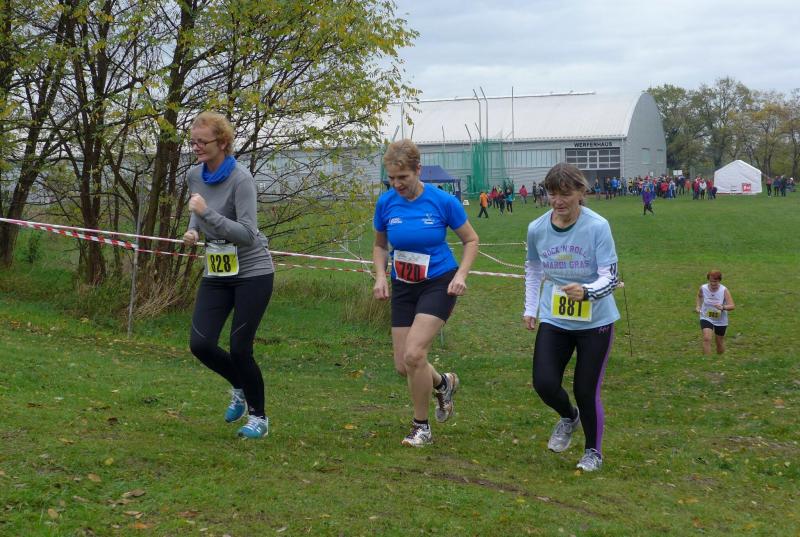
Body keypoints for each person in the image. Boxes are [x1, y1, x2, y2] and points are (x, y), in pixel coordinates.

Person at [372, 139, 479, 447]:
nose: (397, 184)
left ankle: (421, 427)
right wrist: (380, 276)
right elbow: (380, 245)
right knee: (403, 365)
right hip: (403, 284)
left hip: (439, 281)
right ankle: (443, 383)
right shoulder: (386, 203)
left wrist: (461, 274)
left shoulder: (442, 201)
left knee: (415, 354)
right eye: (391, 178)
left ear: (418, 170)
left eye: (403, 177)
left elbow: (471, 240)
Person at [183, 111, 275, 439]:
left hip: (253, 272)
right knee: (200, 344)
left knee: (239, 348)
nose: (196, 147)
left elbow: (247, 234)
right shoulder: (194, 175)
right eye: (192, 142)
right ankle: (238, 385)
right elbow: (197, 208)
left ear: (222, 143)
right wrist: (194, 230)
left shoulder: (241, 179)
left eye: (202, 142)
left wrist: (207, 215)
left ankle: (259, 419)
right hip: (218, 270)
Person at [523, 163, 620, 472]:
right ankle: (569, 416)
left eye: (565, 194)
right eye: (552, 194)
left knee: (585, 390)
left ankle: (593, 451)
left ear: (581, 192)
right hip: (556, 317)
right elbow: (533, 269)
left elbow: (611, 276)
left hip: (596, 321)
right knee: (544, 383)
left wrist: (587, 291)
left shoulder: (598, 226)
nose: (558, 201)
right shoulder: (537, 228)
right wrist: (530, 308)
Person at [695, 270, 735, 355]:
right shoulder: (703, 288)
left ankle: (719, 359)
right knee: (706, 338)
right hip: (706, 316)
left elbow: (732, 306)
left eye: (715, 282)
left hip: (720, 320)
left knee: (719, 342)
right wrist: (698, 306)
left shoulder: (724, 290)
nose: (713, 284)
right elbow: (699, 296)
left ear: (719, 280)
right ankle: (707, 360)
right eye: (711, 281)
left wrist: (723, 307)